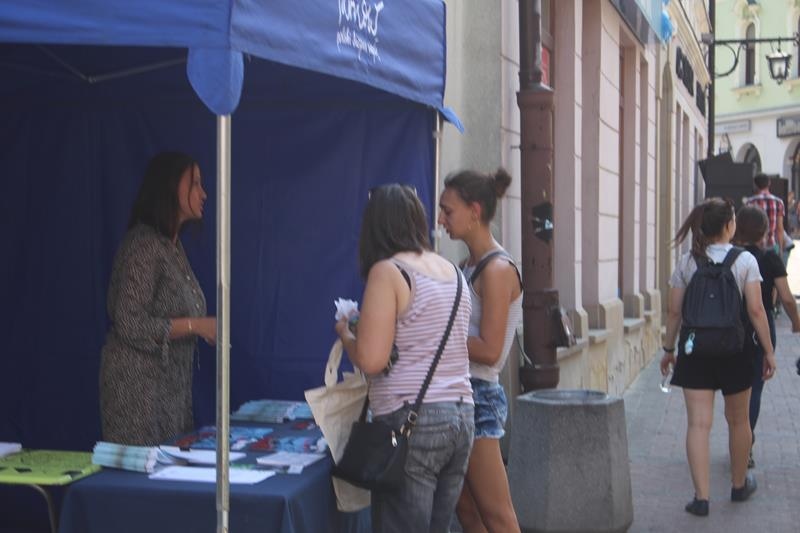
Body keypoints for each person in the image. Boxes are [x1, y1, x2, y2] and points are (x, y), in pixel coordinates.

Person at [335, 184, 475, 533]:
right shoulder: (453, 272)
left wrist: (347, 335)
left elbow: (371, 360)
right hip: (461, 416)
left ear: (375, 227)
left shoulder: (389, 271)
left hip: (412, 420)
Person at [660, 197, 776, 517]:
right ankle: (738, 485)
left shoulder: (688, 262)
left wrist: (668, 350)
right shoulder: (745, 261)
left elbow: (674, 312)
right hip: (736, 351)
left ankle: (701, 498)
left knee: (698, 424)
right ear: (728, 226)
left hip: (694, 350)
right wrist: (768, 351)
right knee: (739, 421)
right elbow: (756, 310)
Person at [99, 152, 217, 446]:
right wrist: (195, 326)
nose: (203, 193)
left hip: (170, 393)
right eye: (195, 184)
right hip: (139, 395)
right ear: (171, 187)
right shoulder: (144, 246)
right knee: (143, 473)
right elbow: (129, 321)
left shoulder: (172, 247)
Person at [438, 168, 522, 533]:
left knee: (498, 516)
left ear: (474, 210)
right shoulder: (466, 267)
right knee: (468, 512)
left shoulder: (497, 269)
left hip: (480, 396)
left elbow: (490, 350)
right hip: (459, 394)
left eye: (447, 210)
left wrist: (436, 337)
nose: (440, 219)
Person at [732, 206, 800, 468]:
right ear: (765, 231)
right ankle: (745, 445)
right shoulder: (770, 258)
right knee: (754, 388)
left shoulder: (730, 257)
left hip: (732, 327)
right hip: (760, 329)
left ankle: (737, 439)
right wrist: (796, 322)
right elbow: (786, 297)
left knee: (734, 388)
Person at [744, 173, 785, 253]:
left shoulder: (750, 202)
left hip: (755, 245)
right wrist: (780, 248)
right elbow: (780, 228)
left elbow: (747, 227)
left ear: (755, 185)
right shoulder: (779, 202)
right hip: (771, 244)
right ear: (769, 183)